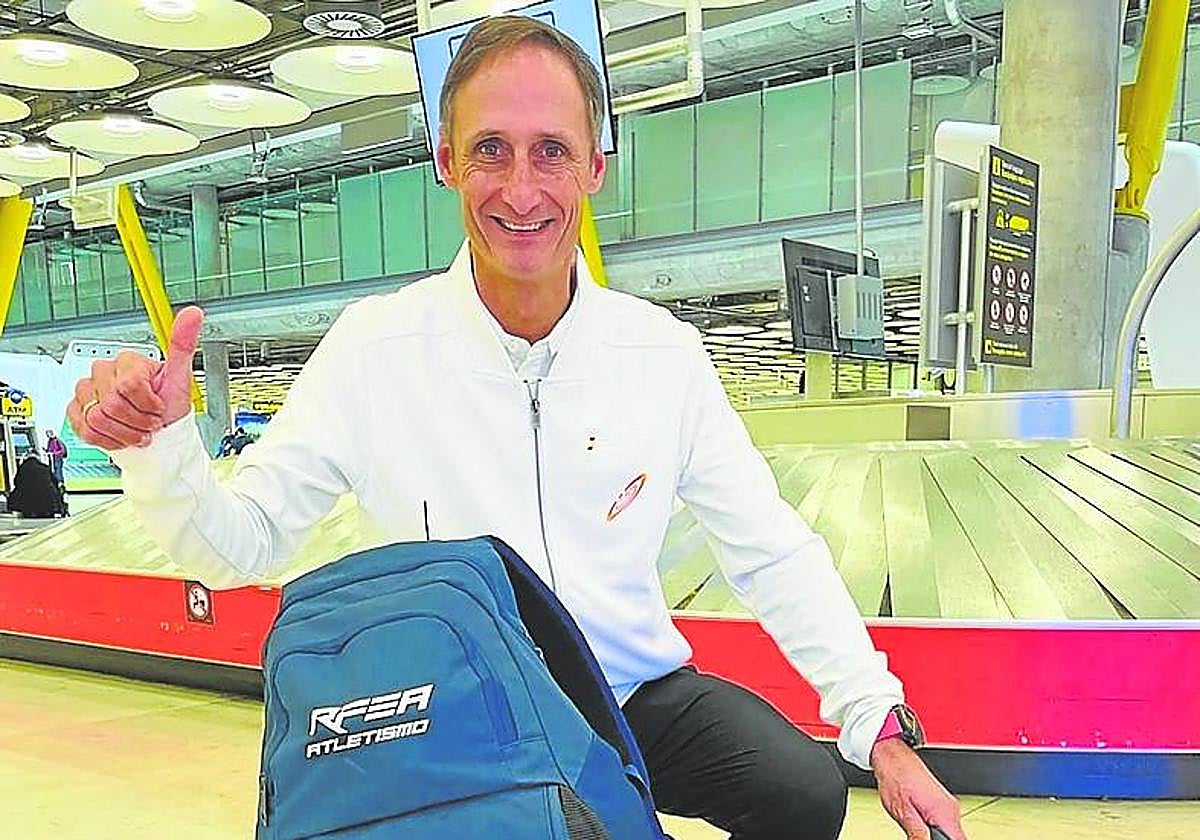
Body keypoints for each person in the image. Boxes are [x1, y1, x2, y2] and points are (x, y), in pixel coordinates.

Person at [66, 17, 965, 840]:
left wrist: (877, 724)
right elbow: (240, 547)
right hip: (461, 709)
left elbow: (772, 552)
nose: (523, 189)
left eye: (552, 151)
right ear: (447, 159)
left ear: (594, 165)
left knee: (802, 791)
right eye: (491, 149)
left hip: (630, 697)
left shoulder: (663, 355)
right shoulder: (375, 351)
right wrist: (159, 449)